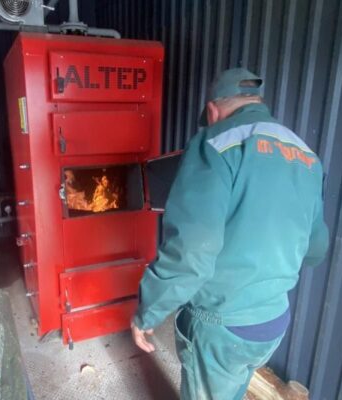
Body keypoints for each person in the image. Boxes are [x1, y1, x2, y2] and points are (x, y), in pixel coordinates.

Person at [131, 68, 329, 400]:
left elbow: (191, 251)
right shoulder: (305, 154)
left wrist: (148, 312)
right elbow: (316, 249)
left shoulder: (216, 143)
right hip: (272, 323)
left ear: (212, 111)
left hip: (222, 326)